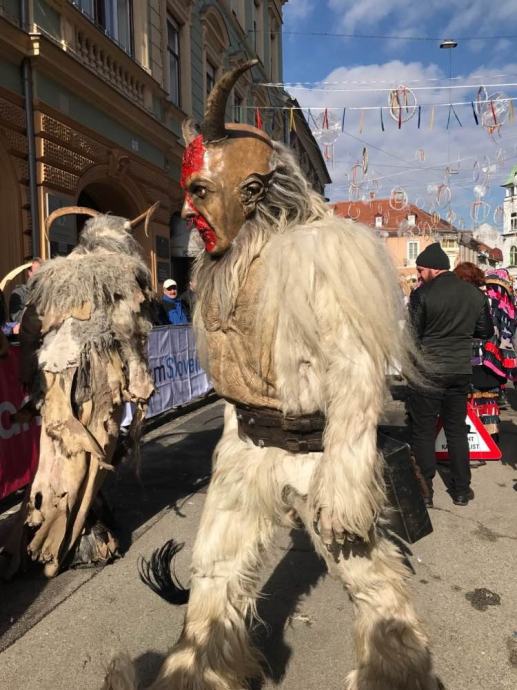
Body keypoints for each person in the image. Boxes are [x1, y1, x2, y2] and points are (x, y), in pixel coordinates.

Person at [105, 60, 441, 690]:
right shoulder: (220, 266)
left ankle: (396, 674)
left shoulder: (323, 252)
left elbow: (356, 370)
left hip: (319, 454)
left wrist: (347, 471)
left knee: (369, 581)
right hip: (248, 447)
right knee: (213, 572)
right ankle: (203, 673)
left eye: (201, 191)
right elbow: (236, 375)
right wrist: (233, 445)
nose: (188, 207)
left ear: (250, 190)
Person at [408, 244, 493, 508]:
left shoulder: (422, 294)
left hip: (429, 370)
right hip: (459, 369)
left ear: (433, 268)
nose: (419, 275)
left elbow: (412, 336)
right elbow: (486, 332)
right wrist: (460, 334)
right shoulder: (474, 294)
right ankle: (461, 490)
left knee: (423, 431)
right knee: (456, 430)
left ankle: (425, 492)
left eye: (421, 270)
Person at [454, 262, 501, 445]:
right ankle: (490, 441)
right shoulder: (488, 299)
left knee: (464, 401)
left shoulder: (457, 300)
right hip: (487, 357)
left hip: (464, 357)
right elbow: (493, 329)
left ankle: (468, 443)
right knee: (487, 400)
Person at [8, 257, 41, 322]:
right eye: (38, 270)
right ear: (30, 273)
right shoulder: (19, 293)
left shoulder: (47, 292)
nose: (41, 274)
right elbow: (16, 318)